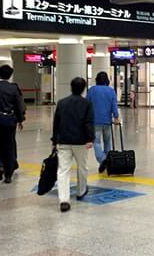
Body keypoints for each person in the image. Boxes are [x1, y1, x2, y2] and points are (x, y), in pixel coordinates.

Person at [52, 77, 94, 212]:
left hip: (63, 140)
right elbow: (88, 123)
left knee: (63, 170)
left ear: (71, 87)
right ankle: (81, 191)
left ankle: (64, 199)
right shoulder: (86, 103)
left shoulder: (61, 103)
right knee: (82, 167)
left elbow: (56, 123)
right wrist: (90, 139)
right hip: (81, 142)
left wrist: (54, 140)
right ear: (83, 89)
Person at [0, 65, 24, 184]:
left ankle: (0, 166)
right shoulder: (14, 88)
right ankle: (9, 173)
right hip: (10, 121)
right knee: (9, 145)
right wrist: (20, 120)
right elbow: (19, 105)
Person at [87, 72, 119, 173]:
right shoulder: (111, 91)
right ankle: (107, 161)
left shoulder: (92, 90)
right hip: (107, 121)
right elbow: (114, 105)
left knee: (96, 141)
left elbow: (87, 104)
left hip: (95, 120)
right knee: (107, 141)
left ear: (97, 79)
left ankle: (102, 159)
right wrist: (116, 116)